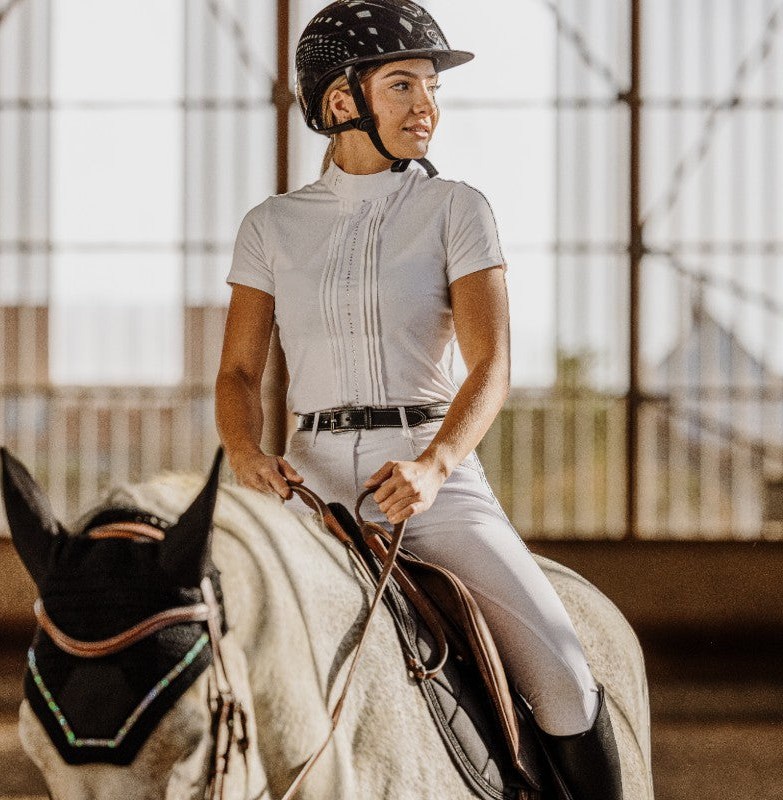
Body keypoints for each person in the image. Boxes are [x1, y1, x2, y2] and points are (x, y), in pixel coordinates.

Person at [215, 2, 623, 798]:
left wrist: (436, 465)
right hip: (310, 480)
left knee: (567, 674)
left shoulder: (456, 210)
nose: (426, 105)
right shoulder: (271, 227)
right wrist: (242, 450)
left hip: (433, 482)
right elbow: (237, 374)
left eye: (431, 87)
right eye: (403, 84)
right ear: (341, 101)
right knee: (217, 649)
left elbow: (491, 366)